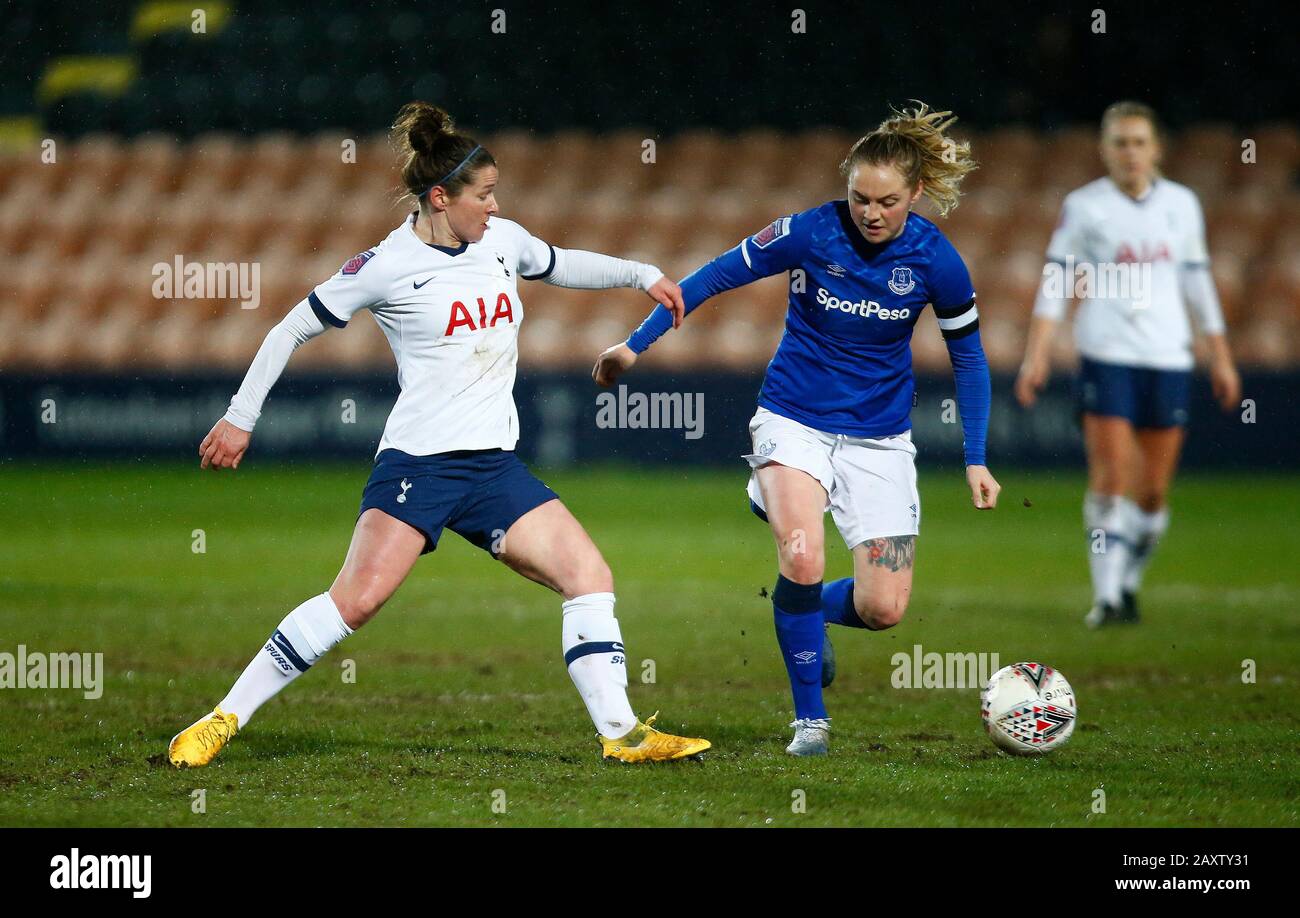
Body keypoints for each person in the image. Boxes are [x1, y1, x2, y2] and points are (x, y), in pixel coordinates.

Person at [168, 102, 710, 767]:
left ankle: (623, 736)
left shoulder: (501, 241)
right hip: (418, 467)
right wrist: (240, 416)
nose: (494, 205)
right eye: (483, 195)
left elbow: (562, 262)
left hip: (492, 470)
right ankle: (221, 719)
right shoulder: (384, 266)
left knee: (590, 576)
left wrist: (640, 274)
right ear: (439, 197)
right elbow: (291, 329)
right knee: (355, 602)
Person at [593, 103, 999, 756]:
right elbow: (711, 278)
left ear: (916, 193)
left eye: (887, 201)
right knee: (803, 554)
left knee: (883, 608)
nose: (871, 212)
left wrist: (975, 457)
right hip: (792, 421)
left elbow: (969, 357)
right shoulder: (809, 232)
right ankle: (811, 722)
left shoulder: (937, 261)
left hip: (879, 440)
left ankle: (803, 610)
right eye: (860, 197)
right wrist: (632, 346)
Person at [1014, 100, 1241, 629]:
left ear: (1156, 149)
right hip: (1106, 353)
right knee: (1112, 474)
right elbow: (1056, 281)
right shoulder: (1084, 206)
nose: (1130, 152)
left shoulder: (1182, 205)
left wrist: (1221, 358)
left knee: (1153, 492)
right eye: (1120, 142)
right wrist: (1037, 354)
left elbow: (1197, 281)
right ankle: (1108, 596)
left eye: (1139, 142)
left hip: (1168, 356)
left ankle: (1130, 582)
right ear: (1105, 149)